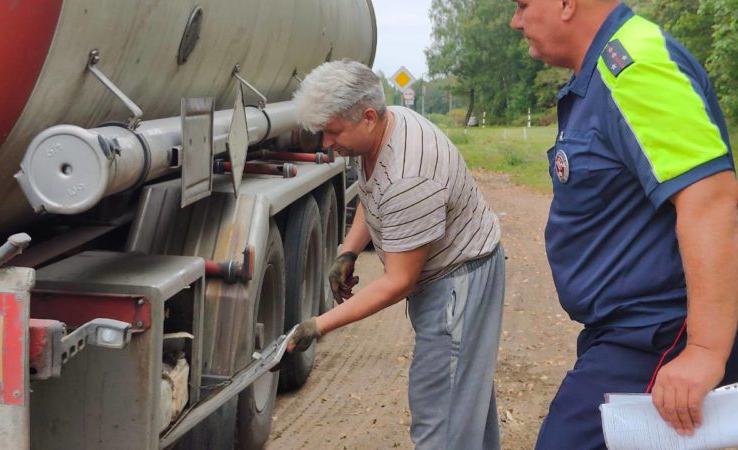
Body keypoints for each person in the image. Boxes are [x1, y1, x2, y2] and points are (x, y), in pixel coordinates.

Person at [510, 0, 738, 448]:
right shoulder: (599, 72)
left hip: (658, 332)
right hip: (627, 332)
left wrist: (705, 351)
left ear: (565, 4)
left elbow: (710, 198)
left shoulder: (635, 67)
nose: (516, 21)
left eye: (522, 5)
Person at [286, 59, 505, 450]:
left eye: (332, 132)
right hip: (450, 273)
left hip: (459, 280)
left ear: (368, 116)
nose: (326, 143)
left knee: (441, 413)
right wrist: (349, 250)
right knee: (464, 396)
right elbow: (373, 196)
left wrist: (319, 325)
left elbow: (399, 281)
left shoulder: (410, 174)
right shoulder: (382, 128)